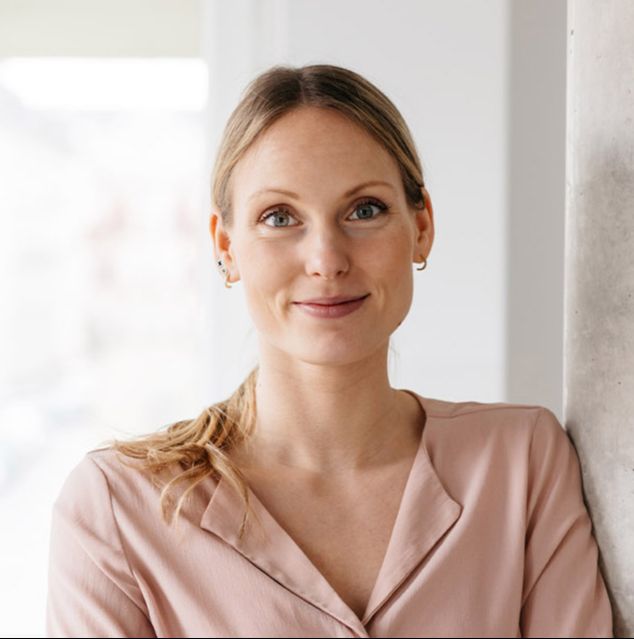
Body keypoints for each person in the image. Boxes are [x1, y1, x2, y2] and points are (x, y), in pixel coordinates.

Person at [46, 63, 613, 638]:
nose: (326, 259)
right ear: (226, 246)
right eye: (279, 217)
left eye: (364, 210)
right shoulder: (117, 508)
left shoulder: (522, 462)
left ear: (421, 226)